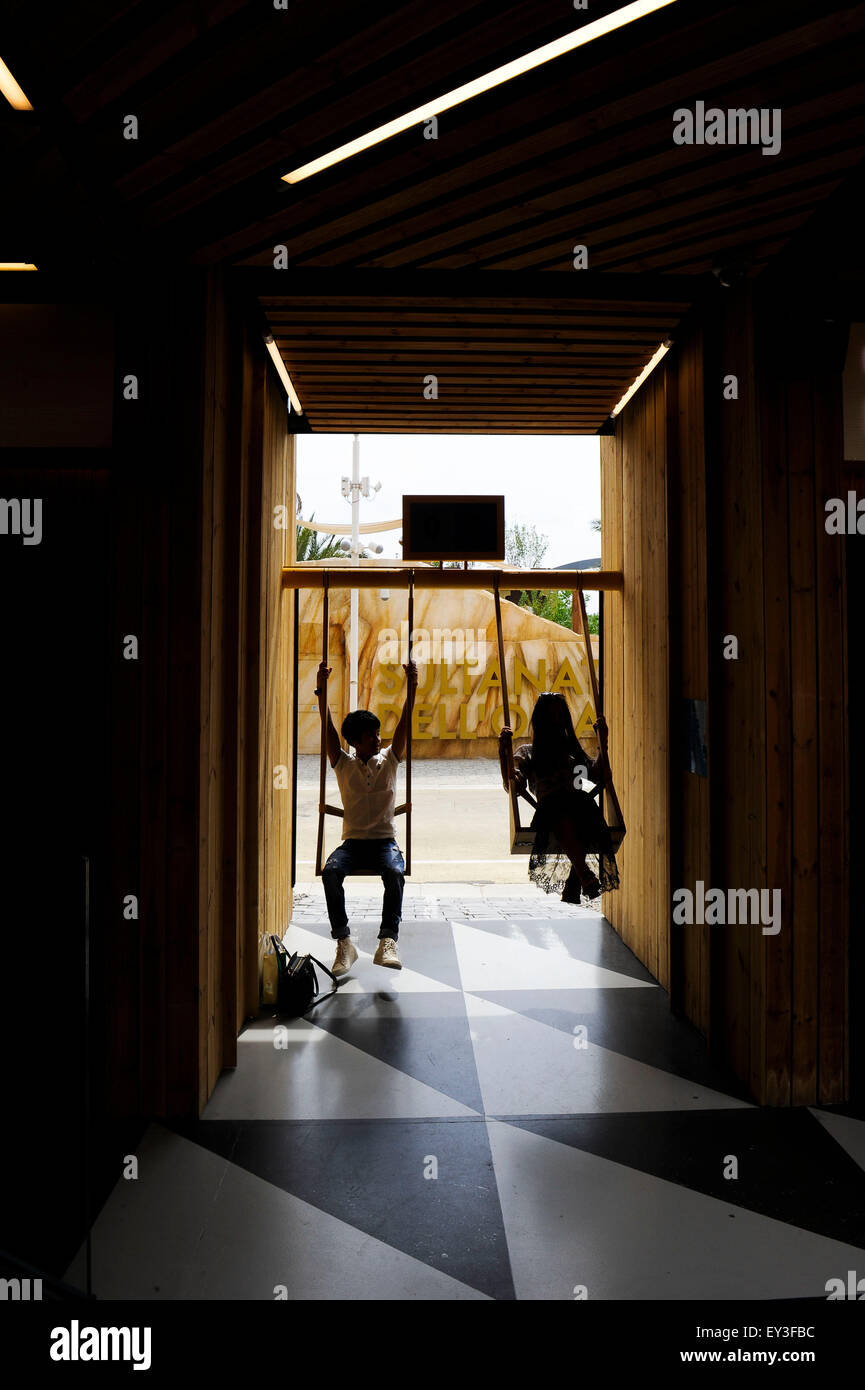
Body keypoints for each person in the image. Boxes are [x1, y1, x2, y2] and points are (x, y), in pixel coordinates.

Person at [316, 658, 418, 974]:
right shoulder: (343, 763)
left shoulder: (390, 759)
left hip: (384, 842)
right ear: (356, 742)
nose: (378, 738)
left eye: (377, 733)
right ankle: (344, 943)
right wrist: (322, 693)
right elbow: (328, 728)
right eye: (371, 735)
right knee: (330, 873)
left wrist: (411, 688)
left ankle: (387, 941)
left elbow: (404, 722)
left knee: (394, 873)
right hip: (353, 844)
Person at [499, 692, 620, 904]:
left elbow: (600, 775)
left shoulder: (573, 753)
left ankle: (579, 879)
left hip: (580, 808)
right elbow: (514, 785)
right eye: (552, 718)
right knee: (562, 808)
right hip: (551, 812)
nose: (557, 723)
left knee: (579, 807)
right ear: (542, 722)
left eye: (560, 717)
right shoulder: (528, 753)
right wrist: (504, 755)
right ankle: (581, 876)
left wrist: (604, 743)